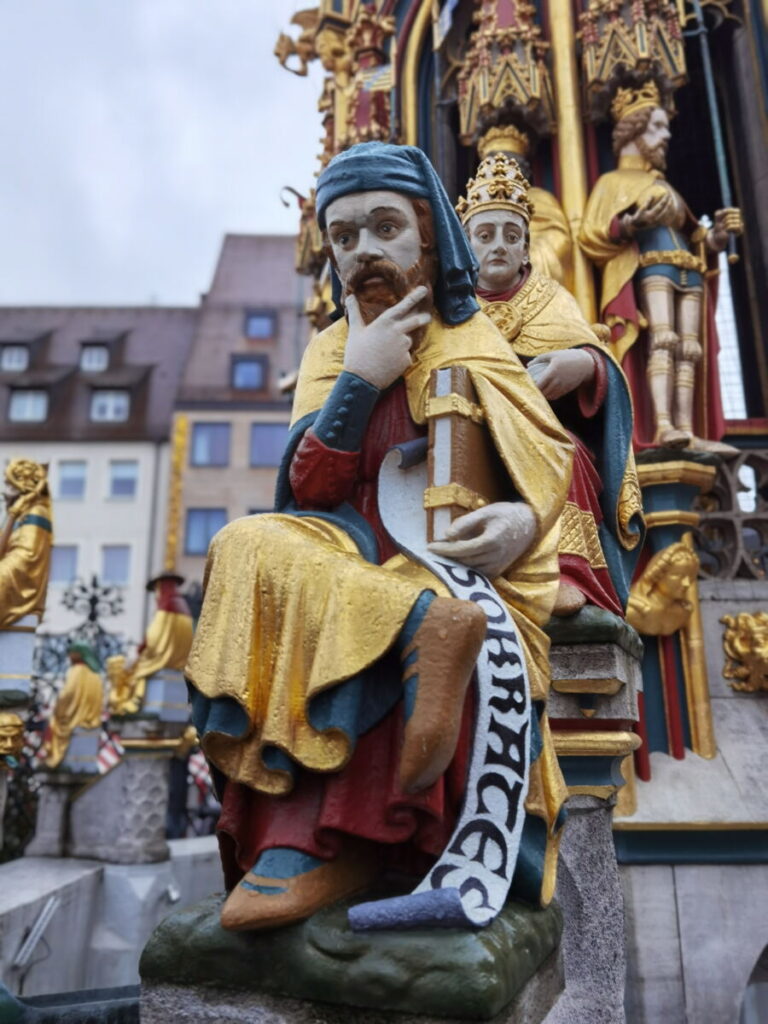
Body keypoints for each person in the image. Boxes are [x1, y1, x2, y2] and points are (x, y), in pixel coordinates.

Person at [186, 141, 573, 932]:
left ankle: (333, 841)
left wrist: (523, 520)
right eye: (345, 235)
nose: (364, 250)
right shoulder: (333, 347)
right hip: (347, 551)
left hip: (448, 566)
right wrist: (359, 377)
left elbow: (547, 458)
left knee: (359, 601)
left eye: (385, 227)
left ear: (428, 237)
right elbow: (306, 490)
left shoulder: (474, 342)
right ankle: (416, 642)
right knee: (244, 546)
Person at [459, 151, 643, 616]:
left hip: (543, 437)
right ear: (463, 247)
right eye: (484, 236)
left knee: (568, 453)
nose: (498, 246)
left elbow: (600, 364)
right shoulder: (452, 310)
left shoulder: (549, 300)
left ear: (526, 248)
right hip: (466, 433)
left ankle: (567, 570)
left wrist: (585, 365)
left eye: (511, 236)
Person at [579, 80, 743, 451]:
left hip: (687, 270)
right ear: (634, 130)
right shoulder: (613, 182)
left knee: (690, 348)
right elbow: (592, 233)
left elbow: (694, 238)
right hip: (654, 268)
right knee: (664, 341)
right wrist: (630, 225)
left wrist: (716, 237)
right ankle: (664, 425)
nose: (666, 134)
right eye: (656, 126)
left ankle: (687, 428)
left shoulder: (665, 187)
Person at [107, 571, 192, 715]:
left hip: (160, 659)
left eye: (156, 591)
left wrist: (141, 649)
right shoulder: (184, 607)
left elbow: (153, 639)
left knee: (135, 673)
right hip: (179, 664)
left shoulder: (165, 607)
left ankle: (132, 704)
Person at [0, 460, 52, 629]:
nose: (4, 490)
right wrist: (13, 513)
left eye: (9, 484)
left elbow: (28, 556)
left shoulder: (37, 512)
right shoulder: (15, 514)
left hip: (20, 581)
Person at [45, 643, 103, 769]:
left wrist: (58, 708)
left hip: (74, 720)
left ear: (78, 654)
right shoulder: (96, 675)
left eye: (71, 652)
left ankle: (54, 759)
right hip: (91, 721)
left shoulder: (76, 671)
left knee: (53, 724)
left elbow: (68, 693)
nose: (69, 656)